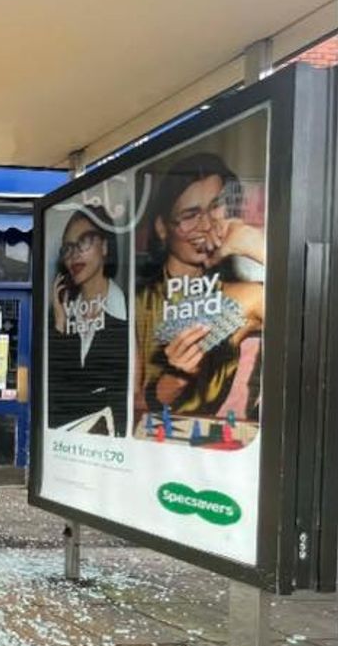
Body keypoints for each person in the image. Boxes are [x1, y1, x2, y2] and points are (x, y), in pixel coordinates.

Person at [133, 152, 265, 422]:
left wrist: (253, 243)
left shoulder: (239, 297)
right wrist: (175, 377)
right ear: (161, 228)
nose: (206, 225)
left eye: (216, 206)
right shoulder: (137, 303)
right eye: (190, 214)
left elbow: (312, 317)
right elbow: (128, 408)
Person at [47, 207, 129, 435]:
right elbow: (55, 391)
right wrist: (60, 323)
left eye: (84, 242)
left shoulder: (129, 310)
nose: (74, 255)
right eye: (68, 248)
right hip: (70, 442)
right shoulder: (60, 315)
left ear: (104, 246)